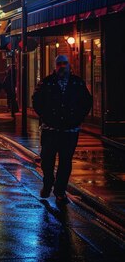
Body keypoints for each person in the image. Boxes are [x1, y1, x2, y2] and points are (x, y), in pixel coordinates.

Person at [32, 55, 92, 205]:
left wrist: (77, 118)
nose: (62, 67)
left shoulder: (77, 83)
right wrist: (45, 117)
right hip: (50, 129)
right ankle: (48, 183)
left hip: (69, 130)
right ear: (55, 66)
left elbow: (86, 102)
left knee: (65, 161)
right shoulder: (47, 82)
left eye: (65, 63)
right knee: (47, 159)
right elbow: (36, 100)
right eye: (59, 64)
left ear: (69, 65)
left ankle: (60, 190)